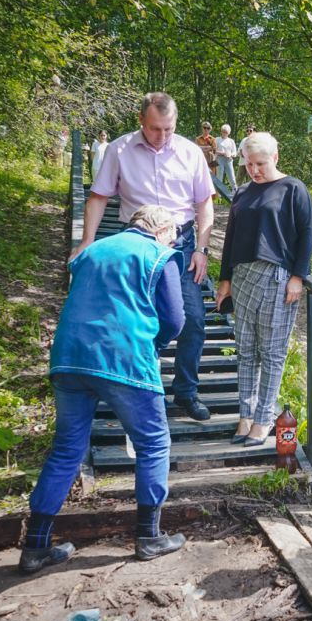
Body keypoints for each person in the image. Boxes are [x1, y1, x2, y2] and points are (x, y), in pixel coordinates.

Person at [19, 205, 187, 573]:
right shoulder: (160, 254)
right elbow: (175, 320)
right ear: (162, 231)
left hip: (69, 356)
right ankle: (149, 537)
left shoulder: (92, 250)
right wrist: (154, 344)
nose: (173, 244)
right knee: (153, 443)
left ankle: (35, 547)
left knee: (67, 449)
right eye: (173, 237)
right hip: (123, 356)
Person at [76, 92, 215, 421]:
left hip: (181, 244)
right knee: (134, 321)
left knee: (192, 319)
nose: (162, 136)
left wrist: (202, 249)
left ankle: (186, 392)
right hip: (135, 242)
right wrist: (87, 242)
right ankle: (137, 392)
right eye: (155, 128)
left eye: (169, 129)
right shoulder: (119, 149)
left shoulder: (190, 152)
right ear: (141, 120)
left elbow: (204, 203)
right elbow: (98, 197)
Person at [215, 132, 312, 446]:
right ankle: (245, 416)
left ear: (275, 157)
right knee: (246, 351)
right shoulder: (243, 191)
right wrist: (225, 279)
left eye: (260, 163)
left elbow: (307, 234)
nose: (254, 170)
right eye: (249, 164)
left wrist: (298, 276)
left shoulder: (293, 189)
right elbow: (230, 237)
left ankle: (264, 419)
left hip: (277, 277)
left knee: (271, 353)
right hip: (242, 277)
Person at [215, 123, 238, 191]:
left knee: (232, 177)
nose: (224, 133)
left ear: (228, 133)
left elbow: (235, 152)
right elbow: (214, 150)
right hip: (219, 159)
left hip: (229, 160)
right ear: (221, 131)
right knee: (219, 177)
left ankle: (235, 193)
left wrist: (231, 155)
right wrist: (223, 153)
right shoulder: (217, 139)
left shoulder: (231, 141)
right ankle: (218, 194)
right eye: (223, 131)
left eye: (226, 132)